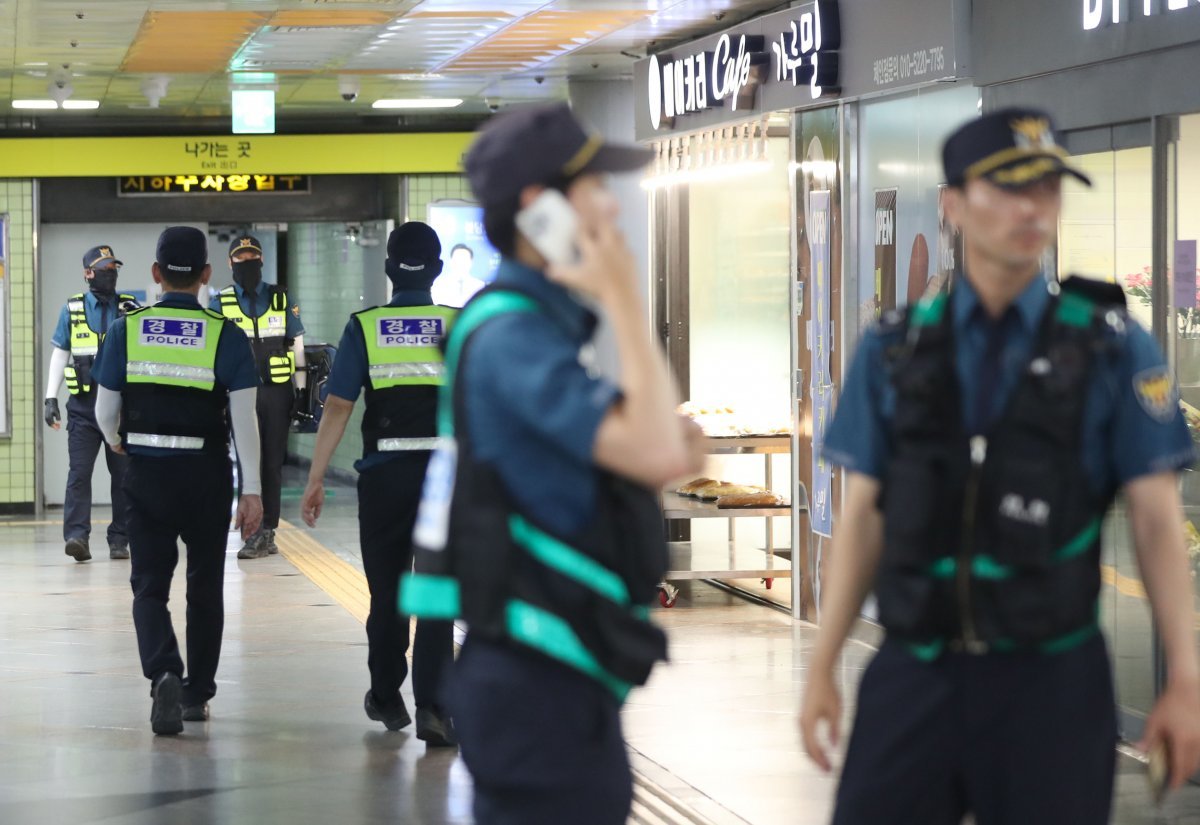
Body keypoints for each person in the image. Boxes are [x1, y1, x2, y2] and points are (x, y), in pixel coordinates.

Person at [799, 108, 1200, 824]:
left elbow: (1157, 522)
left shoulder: (1112, 349)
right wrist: (823, 662)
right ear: (952, 205)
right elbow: (862, 516)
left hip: (1052, 683)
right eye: (1009, 187)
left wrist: (1187, 677)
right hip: (913, 674)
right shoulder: (894, 351)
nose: (1031, 208)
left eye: (1047, 189)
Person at [398, 103, 706, 824]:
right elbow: (663, 446)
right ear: (541, 212)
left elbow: (662, 450)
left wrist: (653, 437)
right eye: (595, 185)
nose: (610, 203)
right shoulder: (512, 337)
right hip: (534, 682)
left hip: (558, 673)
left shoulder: (535, 328)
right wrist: (626, 293)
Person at [92, 226, 263, 735]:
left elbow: (105, 410)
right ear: (207, 275)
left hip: (147, 474)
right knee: (205, 587)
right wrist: (250, 489)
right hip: (206, 476)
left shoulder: (127, 329)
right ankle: (196, 695)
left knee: (149, 587)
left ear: (156, 274)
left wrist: (120, 442)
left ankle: (164, 671)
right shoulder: (224, 334)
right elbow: (245, 420)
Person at [300, 221, 458, 746]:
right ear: (437, 270)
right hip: (444, 481)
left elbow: (339, 405)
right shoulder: (459, 325)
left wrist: (316, 477)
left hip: (385, 477)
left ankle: (387, 695)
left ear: (389, 269)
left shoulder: (365, 327)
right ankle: (435, 707)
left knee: (386, 591)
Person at [210, 235, 306, 559]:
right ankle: (251, 528)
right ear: (229, 263)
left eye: (252, 256)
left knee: (272, 463)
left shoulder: (280, 299)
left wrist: (303, 388)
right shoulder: (219, 302)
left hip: (276, 392)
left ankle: (267, 531)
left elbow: (297, 344)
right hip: (237, 394)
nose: (246, 262)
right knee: (247, 459)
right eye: (240, 257)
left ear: (262, 260)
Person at [45, 245, 140, 562]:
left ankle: (120, 540)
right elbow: (60, 353)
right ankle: (76, 537)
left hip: (121, 408)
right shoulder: (72, 309)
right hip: (84, 406)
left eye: (113, 267)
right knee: (79, 473)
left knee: (124, 476)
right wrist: (50, 398)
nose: (109, 273)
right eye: (103, 268)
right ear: (88, 273)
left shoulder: (130, 308)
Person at [431, 243, 485, 308]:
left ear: (471, 262)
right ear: (451, 261)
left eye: (464, 259)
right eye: (458, 259)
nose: (461, 263)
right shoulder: (438, 285)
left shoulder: (480, 286)